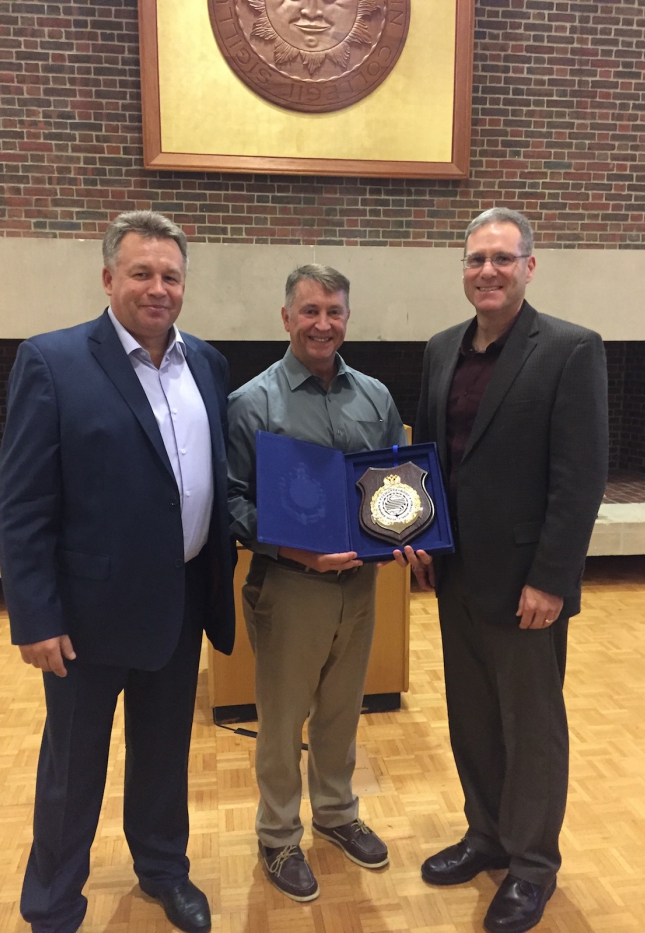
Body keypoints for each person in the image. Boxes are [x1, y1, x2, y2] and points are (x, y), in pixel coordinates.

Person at [0, 211, 236, 933]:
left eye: (170, 275)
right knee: (73, 772)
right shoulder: (52, 361)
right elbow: (23, 503)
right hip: (85, 619)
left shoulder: (209, 365)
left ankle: (164, 867)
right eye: (141, 273)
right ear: (108, 278)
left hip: (181, 601)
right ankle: (52, 904)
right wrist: (36, 616)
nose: (157, 287)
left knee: (163, 757)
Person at [395, 208, 608, 933]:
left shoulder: (572, 351)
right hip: (455, 578)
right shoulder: (440, 348)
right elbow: (427, 458)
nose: (487, 270)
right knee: (474, 719)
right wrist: (420, 539)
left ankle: (530, 865)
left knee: (532, 729)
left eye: (502, 259)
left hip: (527, 588)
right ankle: (484, 833)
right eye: (475, 259)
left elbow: (580, 478)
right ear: (463, 269)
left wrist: (552, 576)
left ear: (529, 267)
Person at [227, 264, 406, 901]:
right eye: (309, 311)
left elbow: (390, 485)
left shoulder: (376, 398)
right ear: (286, 318)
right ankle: (277, 835)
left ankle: (335, 813)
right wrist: (299, 550)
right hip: (290, 587)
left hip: (359, 585)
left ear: (347, 319)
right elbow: (234, 503)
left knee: (341, 710)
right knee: (281, 720)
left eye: (333, 311)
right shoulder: (252, 403)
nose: (322, 324)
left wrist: (404, 529)